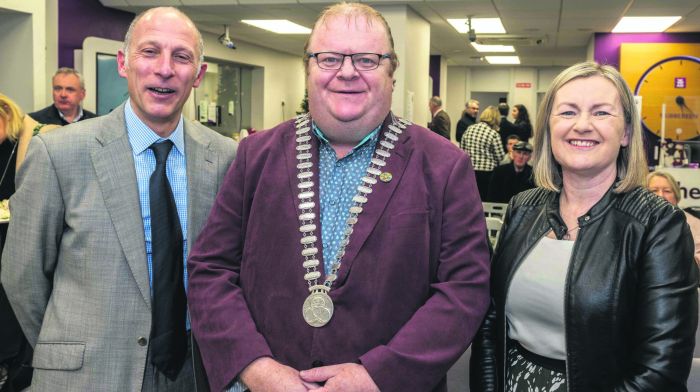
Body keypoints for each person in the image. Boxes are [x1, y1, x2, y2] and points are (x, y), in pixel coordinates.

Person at [187, 3, 491, 392]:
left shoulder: (445, 166)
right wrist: (255, 368)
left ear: (391, 72)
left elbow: (464, 290)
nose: (347, 72)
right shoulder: (255, 155)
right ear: (308, 69)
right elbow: (210, 269)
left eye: (367, 59)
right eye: (329, 58)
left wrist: (379, 375)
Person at [1, 7, 236, 391]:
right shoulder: (58, 152)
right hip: (89, 373)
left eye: (181, 57)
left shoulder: (224, 157)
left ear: (198, 75)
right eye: (149, 52)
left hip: (192, 371)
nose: (165, 69)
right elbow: (22, 275)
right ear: (124, 63)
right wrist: (67, 343)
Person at [471, 61, 698, 391]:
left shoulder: (658, 224)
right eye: (567, 112)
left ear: (626, 133)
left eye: (601, 113)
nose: (582, 125)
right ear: (549, 129)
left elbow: (661, 368)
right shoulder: (523, 207)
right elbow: (490, 323)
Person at [647, 170, 700, 266]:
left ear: (676, 196)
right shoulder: (635, 222)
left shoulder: (695, 225)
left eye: (667, 191)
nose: (660, 195)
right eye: (654, 190)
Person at [460, 105, 504, 200]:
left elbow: (462, 150)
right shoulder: (493, 134)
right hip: (487, 173)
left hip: (470, 170)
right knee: (484, 199)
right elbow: (500, 157)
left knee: (471, 199)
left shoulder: (469, 129)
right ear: (495, 118)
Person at [29, 68, 96, 125]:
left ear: (82, 94)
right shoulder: (33, 121)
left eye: (70, 90)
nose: (63, 95)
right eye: (58, 88)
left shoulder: (95, 122)